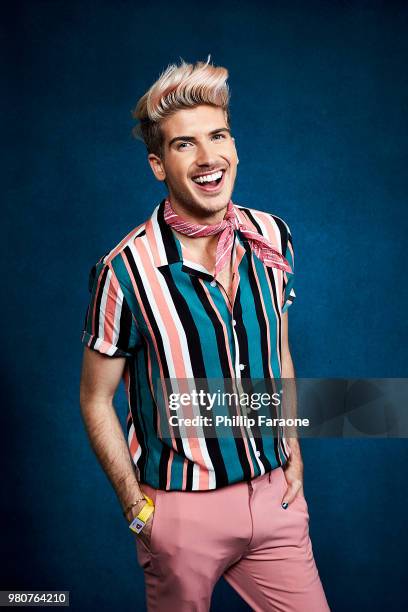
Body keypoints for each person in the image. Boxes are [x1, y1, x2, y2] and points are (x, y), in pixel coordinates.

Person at [79, 57, 330, 612]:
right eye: (184, 144)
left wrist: (292, 448)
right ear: (158, 165)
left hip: (274, 502)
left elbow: (278, 354)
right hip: (179, 514)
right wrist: (135, 505)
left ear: (235, 146)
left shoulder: (273, 236)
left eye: (218, 136)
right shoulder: (124, 271)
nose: (209, 157)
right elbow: (95, 399)